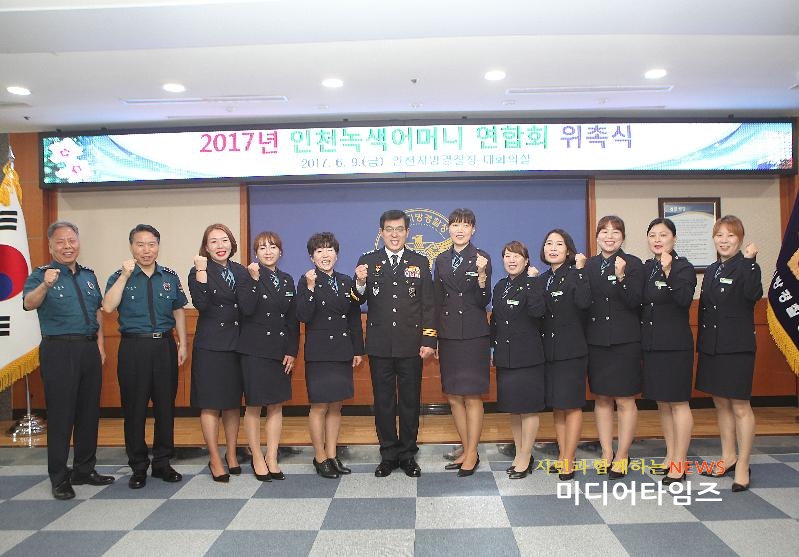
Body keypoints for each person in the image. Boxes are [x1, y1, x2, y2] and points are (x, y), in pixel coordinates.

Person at [22, 221, 114, 500]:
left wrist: (100, 345)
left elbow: (97, 312)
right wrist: (45, 285)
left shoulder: (88, 275)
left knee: (89, 413)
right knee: (62, 416)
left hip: (88, 349)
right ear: (50, 246)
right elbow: (28, 303)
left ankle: (84, 470)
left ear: (78, 243)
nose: (67, 246)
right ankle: (59, 477)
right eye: (60, 242)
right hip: (59, 350)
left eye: (71, 240)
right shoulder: (41, 275)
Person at [103, 224, 188, 489]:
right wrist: (124, 276)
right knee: (135, 409)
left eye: (151, 244)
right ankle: (138, 466)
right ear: (132, 247)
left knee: (165, 408)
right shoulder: (119, 276)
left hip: (164, 346)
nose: (146, 250)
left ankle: (162, 463)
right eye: (140, 244)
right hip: (133, 348)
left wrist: (183, 344)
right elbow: (108, 306)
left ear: (158, 246)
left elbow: (179, 311)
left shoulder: (169, 276)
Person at [352, 209, 437, 478]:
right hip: (380, 345)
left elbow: (428, 304)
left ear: (407, 232)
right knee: (384, 402)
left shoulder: (420, 261)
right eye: (389, 229)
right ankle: (388, 454)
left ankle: (408, 454)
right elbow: (356, 300)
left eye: (399, 229)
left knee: (410, 402)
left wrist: (429, 339)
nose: (394, 234)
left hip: (412, 345)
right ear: (381, 232)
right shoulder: (368, 261)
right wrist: (360, 282)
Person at [695, 215, 761, 492]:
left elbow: (753, 294)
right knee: (720, 403)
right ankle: (728, 456)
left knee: (740, 406)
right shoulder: (712, 269)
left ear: (740, 239)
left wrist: (750, 262)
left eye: (730, 235)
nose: (724, 240)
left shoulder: (747, 266)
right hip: (713, 346)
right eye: (719, 235)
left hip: (737, 347)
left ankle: (743, 464)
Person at [296, 232, 364, 479]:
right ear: (311, 257)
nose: (325, 255)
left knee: (336, 406)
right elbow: (303, 315)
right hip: (320, 353)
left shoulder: (346, 281)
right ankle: (320, 457)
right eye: (319, 251)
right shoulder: (306, 280)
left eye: (329, 250)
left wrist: (358, 349)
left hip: (342, 351)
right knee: (319, 406)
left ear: (337, 254)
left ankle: (332, 455)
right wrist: (310, 288)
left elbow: (354, 317)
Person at [433, 208, 491, 477]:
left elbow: (483, 300)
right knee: (454, 395)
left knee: (472, 395)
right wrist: (434, 336)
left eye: (465, 225)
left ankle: (472, 452)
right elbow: (437, 299)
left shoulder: (482, 258)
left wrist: (481, 276)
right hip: (448, 334)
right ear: (449, 229)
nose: (460, 230)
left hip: (474, 335)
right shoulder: (441, 259)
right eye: (455, 225)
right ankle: (467, 449)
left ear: (473, 230)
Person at [237, 231, 299, 481]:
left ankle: (272, 457)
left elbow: (292, 319)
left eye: (272, 247)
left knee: (276, 405)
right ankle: (256, 456)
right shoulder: (247, 276)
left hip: (279, 352)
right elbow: (246, 309)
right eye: (262, 248)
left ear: (280, 252)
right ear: (256, 253)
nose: (268, 251)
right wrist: (253, 280)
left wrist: (292, 351)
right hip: (254, 351)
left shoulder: (286, 279)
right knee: (254, 406)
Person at [585, 216, 644, 479]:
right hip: (597, 341)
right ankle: (606, 451)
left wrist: (621, 277)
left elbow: (636, 301)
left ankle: (622, 454)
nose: (609, 237)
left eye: (615, 232)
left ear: (623, 237)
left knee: (625, 399)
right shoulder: (589, 265)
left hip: (625, 341)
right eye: (604, 232)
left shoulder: (633, 264)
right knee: (602, 398)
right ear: (597, 235)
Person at [188, 224, 246, 482]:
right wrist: (201, 271)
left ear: (232, 244)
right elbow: (201, 303)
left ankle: (231, 454)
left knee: (232, 405)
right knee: (211, 405)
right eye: (213, 241)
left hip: (237, 345)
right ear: (206, 247)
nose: (220, 246)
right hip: (210, 347)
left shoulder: (240, 271)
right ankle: (214, 458)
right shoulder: (198, 271)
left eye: (224, 240)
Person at [641, 217, 696, 485]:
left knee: (678, 402)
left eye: (663, 235)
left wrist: (668, 270)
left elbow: (683, 299)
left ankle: (680, 461)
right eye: (653, 235)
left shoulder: (683, 266)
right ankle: (670, 454)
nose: (657, 240)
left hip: (675, 346)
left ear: (673, 238)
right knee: (662, 403)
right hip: (652, 345)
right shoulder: (647, 268)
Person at [490, 240, 546, 479]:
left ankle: (526, 455)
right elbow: (496, 320)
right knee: (513, 409)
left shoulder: (534, 283)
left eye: (517, 256)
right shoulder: (501, 286)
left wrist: (532, 282)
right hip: (506, 356)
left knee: (528, 409)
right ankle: (519, 453)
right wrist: (492, 349)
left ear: (526, 260)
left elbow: (537, 311)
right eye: (507, 256)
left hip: (528, 356)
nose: (511, 260)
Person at [539, 229, 591, 481]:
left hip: (571, 351)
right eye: (549, 243)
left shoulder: (575, 274)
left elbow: (584, 302)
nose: (553, 248)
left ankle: (570, 459)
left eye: (559, 244)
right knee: (557, 406)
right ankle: (562, 454)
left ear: (568, 250)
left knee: (571, 405)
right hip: (549, 351)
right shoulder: (543, 279)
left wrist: (580, 271)